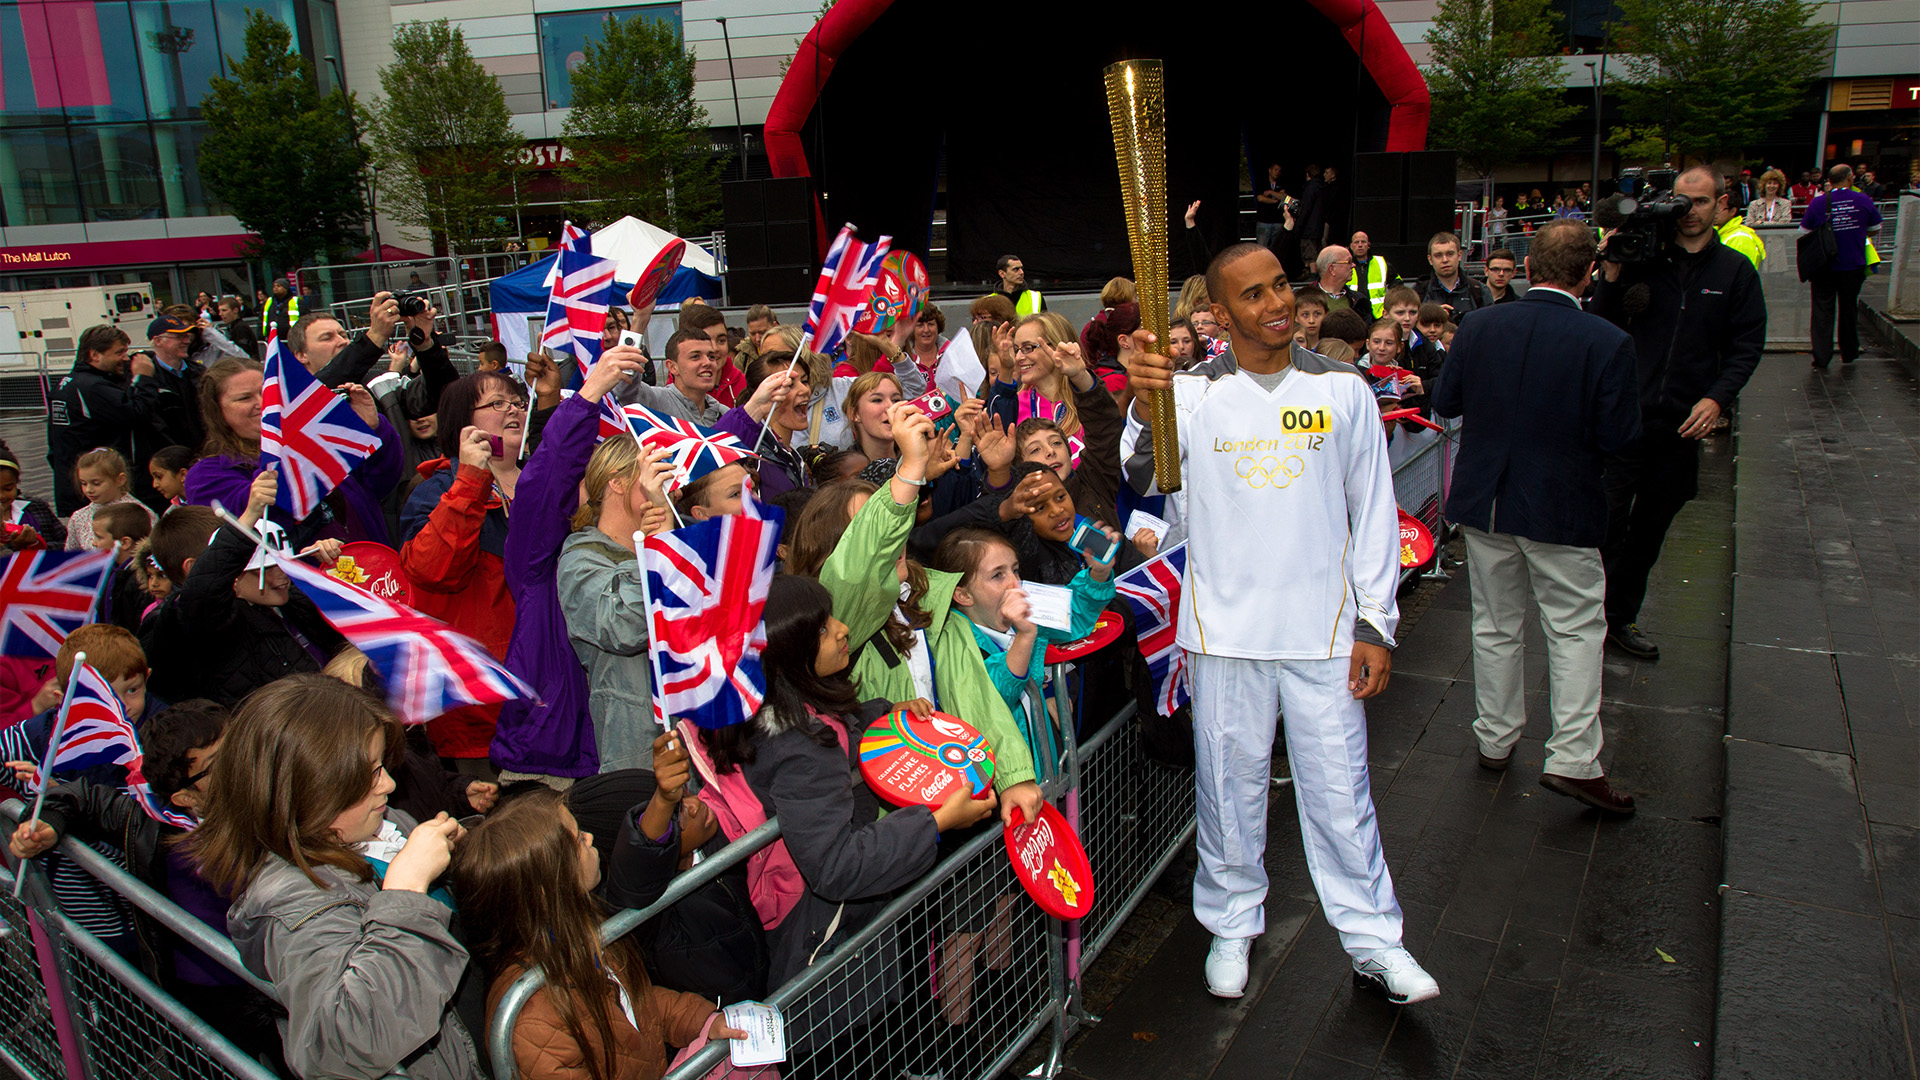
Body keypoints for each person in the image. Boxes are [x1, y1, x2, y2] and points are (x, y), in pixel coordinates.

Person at [1123, 242, 1439, 1005]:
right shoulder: (1190, 394)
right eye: (1252, 296)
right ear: (1221, 315)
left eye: (1279, 289)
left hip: (1324, 633)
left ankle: (1374, 942)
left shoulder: (1342, 388)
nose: (1274, 306)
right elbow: (1145, 477)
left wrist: (1375, 623)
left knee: (1341, 794)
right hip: (1224, 632)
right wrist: (1142, 404)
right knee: (1229, 790)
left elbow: (1371, 513)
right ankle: (1232, 921)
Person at [695, 574, 998, 997]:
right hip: (826, 958)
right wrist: (937, 822)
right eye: (821, 628)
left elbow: (838, 725)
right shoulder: (800, 749)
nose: (841, 629)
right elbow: (836, 866)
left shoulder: (769, 708)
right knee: (862, 1053)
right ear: (787, 652)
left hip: (821, 933)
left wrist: (885, 716)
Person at [1432, 220, 1642, 815]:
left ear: (1527, 269)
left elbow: (1446, 402)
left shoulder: (1479, 324)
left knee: (1495, 623)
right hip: (1562, 505)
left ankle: (1495, 738)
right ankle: (1574, 759)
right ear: (1588, 274)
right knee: (1574, 628)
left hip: (1485, 500)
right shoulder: (1607, 341)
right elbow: (1622, 437)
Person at [184, 674, 482, 1080]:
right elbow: (345, 1041)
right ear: (308, 790)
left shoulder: (376, 824)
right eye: (369, 775)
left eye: (382, 767)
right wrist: (408, 888)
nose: (389, 785)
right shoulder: (292, 904)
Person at [457, 786, 750, 1080]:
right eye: (577, 840)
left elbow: (638, 1003)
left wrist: (704, 1021)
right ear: (549, 886)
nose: (589, 837)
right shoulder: (532, 1021)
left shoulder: (585, 931)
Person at [1593, 165, 1765, 660]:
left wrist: (1717, 397)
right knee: (1605, 523)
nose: (1690, 212)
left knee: (1650, 528)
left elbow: (1746, 344)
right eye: (1683, 201)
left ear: (1721, 204)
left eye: (1703, 202)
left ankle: (1620, 617)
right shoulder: (1645, 259)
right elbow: (1601, 326)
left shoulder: (1734, 271)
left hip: (1681, 428)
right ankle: (1588, 618)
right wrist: (1612, 272)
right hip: (1626, 422)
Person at [495, 351, 646, 783]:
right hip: (553, 760)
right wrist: (588, 395)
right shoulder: (542, 561)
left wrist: (749, 414)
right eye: (581, 474)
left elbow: (707, 472)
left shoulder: (659, 541)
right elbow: (545, 482)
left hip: (617, 748)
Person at [398, 371, 528, 768]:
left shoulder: (540, 479)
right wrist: (470, 481)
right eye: (497, 404)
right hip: (478, 703)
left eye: (518, 403)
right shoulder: (434, 492)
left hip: (545, 688)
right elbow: (435, 571)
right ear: (462, 422)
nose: (513, 411)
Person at [161, 474, 346, 704]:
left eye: (284, 564)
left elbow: (347, 635)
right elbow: (201, 594)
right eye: (265, 568)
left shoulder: (292, 601)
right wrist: (249, 516)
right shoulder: (218, 624)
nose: (281, 575)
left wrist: (328, 570)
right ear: (233, 576)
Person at [185, 356, 403, 548]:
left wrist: (373, 429)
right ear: (218, 411)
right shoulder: (206, 475)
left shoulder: (312, 439)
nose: (262, 404)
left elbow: (380, 483)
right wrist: (276, 450)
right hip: (301, 586)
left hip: (374, 569)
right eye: (245, 398)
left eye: (267, 392)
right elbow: (260, 523)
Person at [557, 433, 678, 773]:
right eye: (655, 478)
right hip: (640, 751)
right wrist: (659, 550)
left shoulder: (674, 538)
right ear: (618, 482)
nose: (669, 492)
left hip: (694, 735)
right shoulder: (579, 560)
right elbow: (623, 626)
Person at [48, 325, 162, 515]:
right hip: (97, 492)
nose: (125, 359)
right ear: (95, 355)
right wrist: (143, 379)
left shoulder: (68, 383)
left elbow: (54, 445)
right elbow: (137, 413)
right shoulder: (92, 387)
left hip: (77, 485)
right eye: (119, 353)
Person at [1802, 163, 1884, 370]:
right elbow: (1875, 227)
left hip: (1824, 265)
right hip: (1853, 264)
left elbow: (1804, 230)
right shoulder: (1863, 200)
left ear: (1829, 180)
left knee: (1822, 310)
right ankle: (1849, 351)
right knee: (1848, 308)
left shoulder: (1819, 202)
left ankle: (1821, 356)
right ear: (1850, 178)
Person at [714, 354, 813, 498]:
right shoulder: (751, 456)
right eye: (789, 385)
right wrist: (756, 408)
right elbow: (713, 458)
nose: (804, 390)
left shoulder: (791, 455)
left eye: (805, 381)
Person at [606, 332, 726, 425]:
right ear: (672, 367)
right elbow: (624, 389)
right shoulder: (655, 401)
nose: (707, 362)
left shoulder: (724, 414)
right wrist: (639, 320)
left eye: (711, 357)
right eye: (695, 356)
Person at [140, 314, 210, 454]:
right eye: (179, 337)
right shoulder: (146, 377)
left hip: (205, 451)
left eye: (187, 336)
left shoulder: (199, 372)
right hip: (168, 457)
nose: (186, 341)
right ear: (158, 341)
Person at [64, 447, 157, 551]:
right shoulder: (78, 518)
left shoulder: (141, 514)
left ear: (120, 480)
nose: (88, 490)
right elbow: (71, 556)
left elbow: (155, 552)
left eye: (96, 483)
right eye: (83, 483)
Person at [91, 501, 153, 633]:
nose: (94, 543)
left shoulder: (141, 580)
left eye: (99, 537)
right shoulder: (110, 571)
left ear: (125, 542)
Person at [0, 439, 65, 551]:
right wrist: (15, 547)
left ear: (17, 483)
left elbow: (67, 543)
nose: (1, 496)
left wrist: (37, 544)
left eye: (8, 488)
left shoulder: (37, 508)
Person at [679, 303, 747, 407]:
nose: (715, 348)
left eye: (721, 340)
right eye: (706, 341)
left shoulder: (745, 386)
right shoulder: (668, 397)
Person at [1418, 233, 1492, 318]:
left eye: (1450, 254)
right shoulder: (1419, 292)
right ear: (1430, 260)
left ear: (1459, 255)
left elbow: (1490, 325)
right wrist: (1431, 316)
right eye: (1438, 255)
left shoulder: (1479, 291)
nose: (1445, 260)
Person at [1345, 231, 1396, 319]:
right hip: (1354, 315)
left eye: (1363, 242)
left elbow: (1397, 285)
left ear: (1368, 245)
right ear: (1351, 246)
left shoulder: (1381, 263)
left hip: (1378, 316)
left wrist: (1391, 306)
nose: (1360, 245)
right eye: (1356, 242)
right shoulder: (1345, 265)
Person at [1301, 246, 1356, 313]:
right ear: (1332, 269)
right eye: (1349, 262)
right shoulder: (1303, 299)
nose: (1353, 265)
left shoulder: (1359, 301)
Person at [1254, 163, 1290, 253]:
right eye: (1275, 170)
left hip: (1277, 220)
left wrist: (1271, 192)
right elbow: (1260, 198)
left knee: (1277, 248)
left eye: (1279, 170)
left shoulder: (1282, 183)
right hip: (1264, 220)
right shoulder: (1262, 182)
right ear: (1270, 170)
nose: (1277, 172)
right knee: (1262, 249)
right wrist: (1275, 200)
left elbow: (1285, 198)